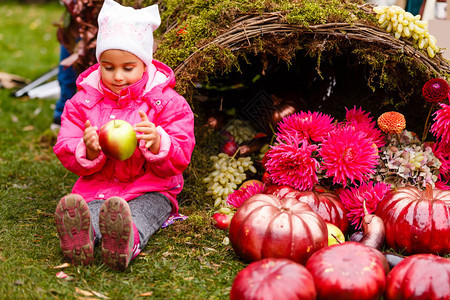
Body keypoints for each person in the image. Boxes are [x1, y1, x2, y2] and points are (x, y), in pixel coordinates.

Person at [53, 0, 195, 271]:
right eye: (108, 67)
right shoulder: (84, 102)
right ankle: (81, 237)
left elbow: (181, 151)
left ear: (144, 63)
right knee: (89, 209)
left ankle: (126, 239)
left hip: (151, 186)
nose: (117, 76)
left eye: (127, 68)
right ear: (99, 64)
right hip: (99, 186)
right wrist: (88, 150)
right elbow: (65, 144)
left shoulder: (166, 102)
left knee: (143, 211)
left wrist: (158, 141)